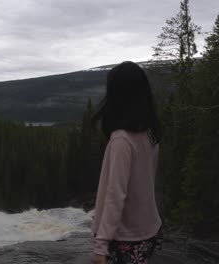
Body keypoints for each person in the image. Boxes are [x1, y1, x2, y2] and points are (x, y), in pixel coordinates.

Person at [91, 61, 163, 264]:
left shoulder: (122, 140)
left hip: (125, 238)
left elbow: (116, 195)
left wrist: (101, 245)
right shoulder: (149, 133)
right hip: (148, 230)